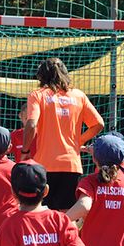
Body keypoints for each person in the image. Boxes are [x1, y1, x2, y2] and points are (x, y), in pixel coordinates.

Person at [22, 57, 104, 211]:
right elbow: (98, 124)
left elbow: (31, 124)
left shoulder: (38, 95)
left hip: (45, 164)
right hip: (71, 164)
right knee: (67, 214)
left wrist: (25, 151)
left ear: (41, 76)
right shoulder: (78, 96)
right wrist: (78, 141)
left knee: (43, 213)